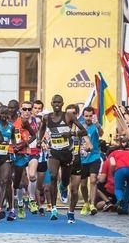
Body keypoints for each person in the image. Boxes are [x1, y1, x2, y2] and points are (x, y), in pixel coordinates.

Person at [38, 94, 90, 222]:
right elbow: (42, 129)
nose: (56, 104)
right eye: (54, 102)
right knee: (53, 175)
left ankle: (63, 187)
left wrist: (71, 133)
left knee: (66, 182)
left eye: (59, 102)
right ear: (51, 103)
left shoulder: (68, 116)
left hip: (67, 153)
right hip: (54, 152)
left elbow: (84, 131)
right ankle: (54, 208)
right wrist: (40, 140)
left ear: (62, 104)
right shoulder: (46, 117)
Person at [0, 106, 16, 221]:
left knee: (4, 181)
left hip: (5, 157)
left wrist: (14, 146)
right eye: (2, 113)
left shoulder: (11, 126)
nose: (4, 116)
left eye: (6, 114)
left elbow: (13, 139)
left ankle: (0, 208)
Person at [78, 105, 102, 216]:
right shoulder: (79, 126)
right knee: (83, 184)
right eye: (86, 116)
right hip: (82, 159)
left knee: (93, 180)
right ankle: (86, 202)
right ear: (83, 116)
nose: (88, 118)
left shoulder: (95, 126)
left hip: (94, 156)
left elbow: (101, 133)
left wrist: (97, 124)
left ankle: (92, 204)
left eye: (90, 116)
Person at [108, 144, 129, 214]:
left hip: (121, 169)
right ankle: (125, 209)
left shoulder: (112, 154)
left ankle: (120, 200)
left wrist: (113, 174)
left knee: (118, 188)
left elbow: (113, 164)